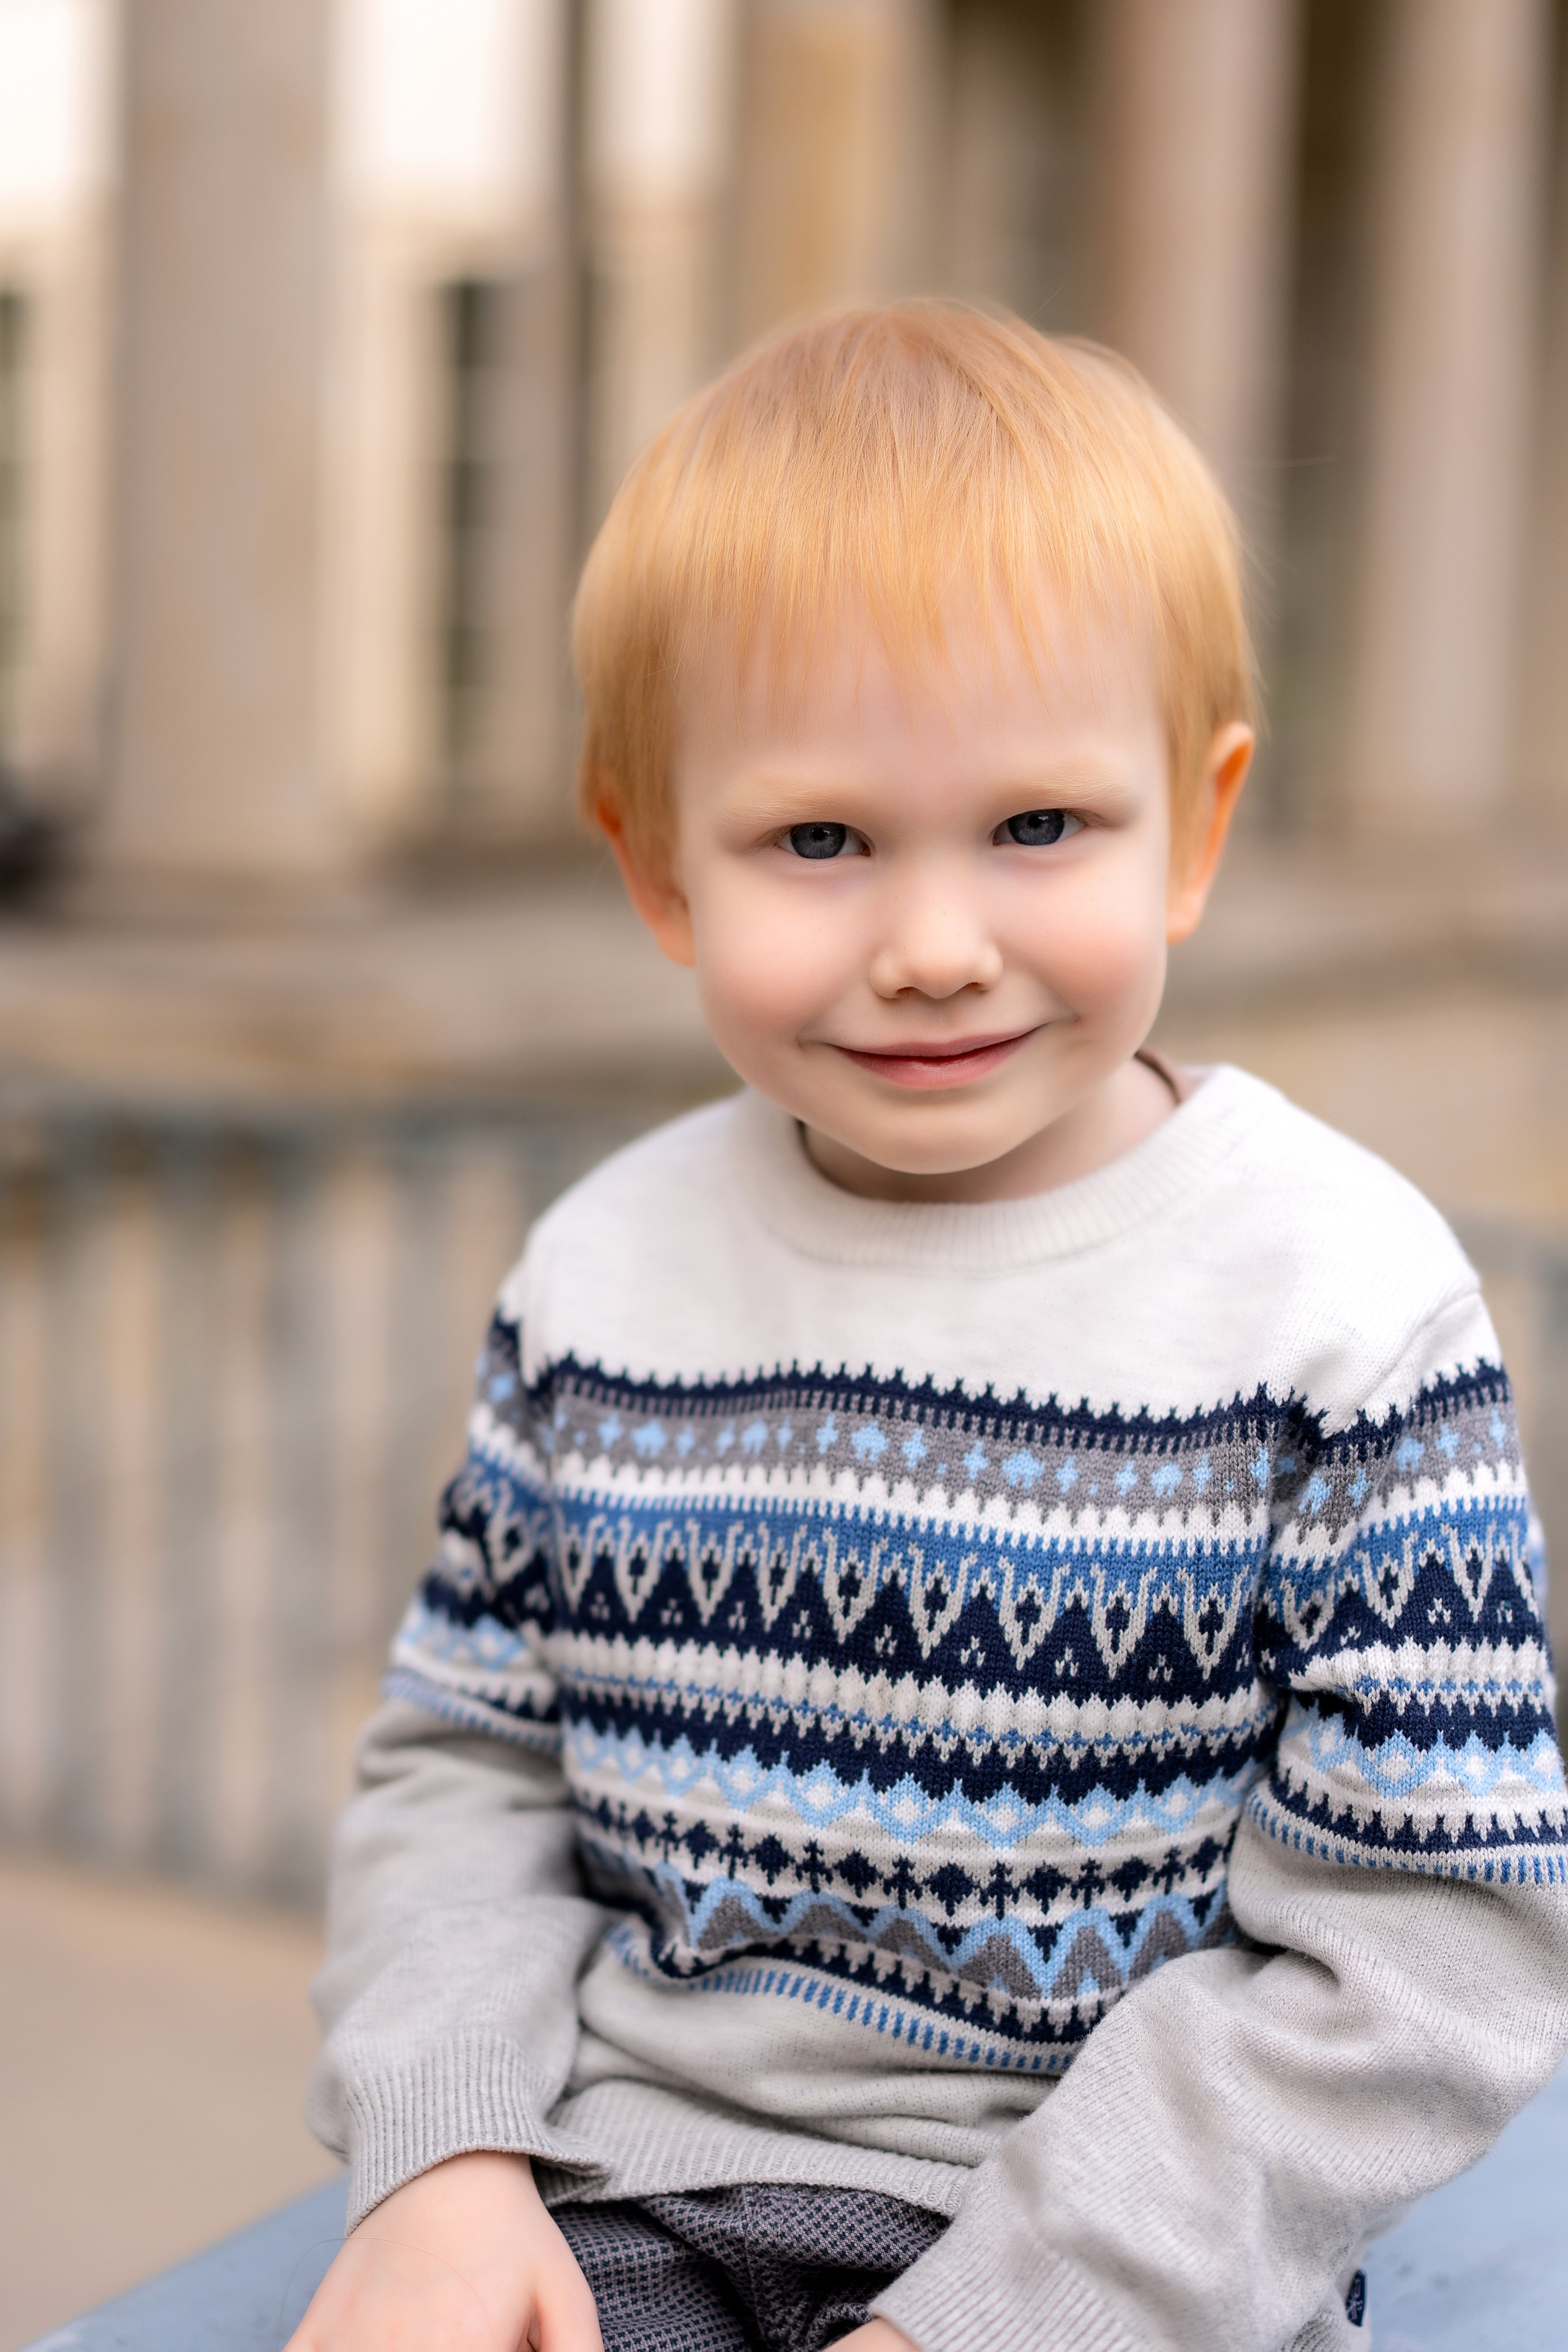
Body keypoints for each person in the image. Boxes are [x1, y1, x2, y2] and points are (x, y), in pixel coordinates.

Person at [292, 304, 1568, 2352]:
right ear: (656, 868)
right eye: (821, 840)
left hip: (1135, 2266)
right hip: (636, 2199)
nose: (936, 945)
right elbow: (470, 1770)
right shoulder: (600, 1280)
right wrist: (440, 2159)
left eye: (1039, 827)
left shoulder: (1339, 1305)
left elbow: (1428, 1937)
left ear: (1197, 828)